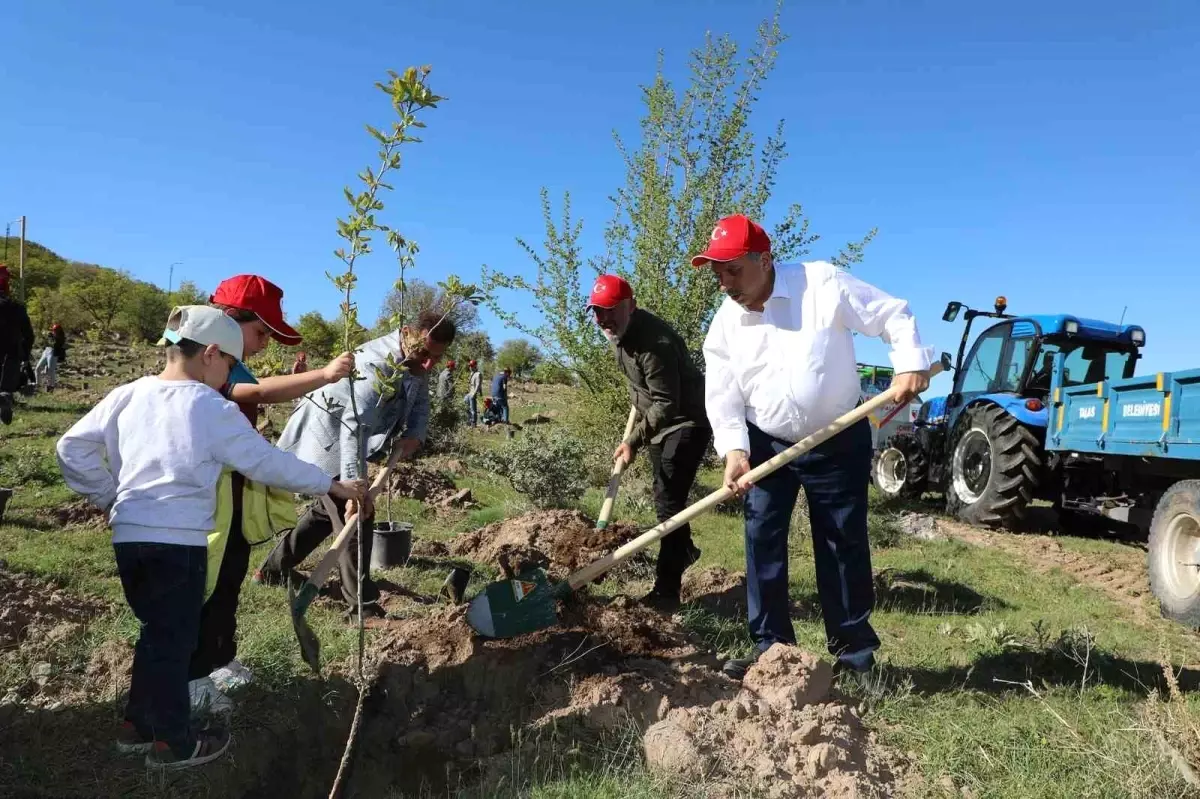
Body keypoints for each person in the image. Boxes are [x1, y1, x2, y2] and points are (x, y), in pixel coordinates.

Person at [55, 305, 365, 770]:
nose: (228, 377)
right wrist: (333, 485)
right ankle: (173, 743)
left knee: (155, 633)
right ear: (212, 353)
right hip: (178, 543)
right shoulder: (210, 407)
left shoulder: (127, 394)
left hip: (130, 539)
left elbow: (70, 447)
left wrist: (110, 497)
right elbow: (266, 463)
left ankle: (139, 724)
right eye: (228, 366)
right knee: (176, 639)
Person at [694, 214, 932, 680]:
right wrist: (735, 450)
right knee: (762, 542)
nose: (724, 282)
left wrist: (908, 363)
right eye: (717, 272)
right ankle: (772, 655)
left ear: (764, 260)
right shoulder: (725, 322)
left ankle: (854, 657)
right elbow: (722, 392)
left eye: (733, 270)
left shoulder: (822, 283)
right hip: (765, 444)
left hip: (836, 438)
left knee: (841, 543)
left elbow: (892, 314)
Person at [187, 275, 355, 716]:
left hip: (232, 500)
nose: (264, 343)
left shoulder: (230, 361)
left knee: (228, 581)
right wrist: (323, 376)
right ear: (228, 319)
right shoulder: (211, 367)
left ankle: (219, 658)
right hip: (209, 501)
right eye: (261, 332)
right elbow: (257, 393)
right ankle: (193, 676)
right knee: (208, 587)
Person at [255, 310, 457, 615]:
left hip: (352, 436)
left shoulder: (415, 360)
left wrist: (415, 433)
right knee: (357, 513)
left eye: (436, 358)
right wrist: (355, 488)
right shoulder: (376, 366)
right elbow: (354, 428)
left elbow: (420, 400)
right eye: (425, 353)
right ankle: (362, 606)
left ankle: (271, 571)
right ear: (406, 333)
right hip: (327, 436)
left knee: (328, 511)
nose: (429, 363)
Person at [588, 274, 711, 609]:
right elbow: (642, 388)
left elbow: (666, 402)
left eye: (611, 310)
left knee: (669, 502)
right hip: (659, 423)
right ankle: (683, 550)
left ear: (631, 305)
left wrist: (633, 440)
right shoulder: (620, 334)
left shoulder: (654, 343)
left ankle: (667, 591)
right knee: (664, 497)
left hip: (687, 421)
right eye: (597, 311)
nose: (603, 319)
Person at [0, 264, 33, 425]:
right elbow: (29, 335)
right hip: (12, 354)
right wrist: (25, 355)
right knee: (5, 388)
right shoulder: (17, 308)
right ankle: (5, 397)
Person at [464, 359, 482, 426]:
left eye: (471, 366)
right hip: (469, 393)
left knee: (473, 409)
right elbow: (469, 383)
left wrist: (474, 394)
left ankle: (473, 423)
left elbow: (478, 385)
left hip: (473, 393)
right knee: (465, 407)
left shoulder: (478, 374)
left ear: (475, 366)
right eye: (470, 366)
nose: (470, 367)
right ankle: (468, 421)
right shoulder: (472, 373)